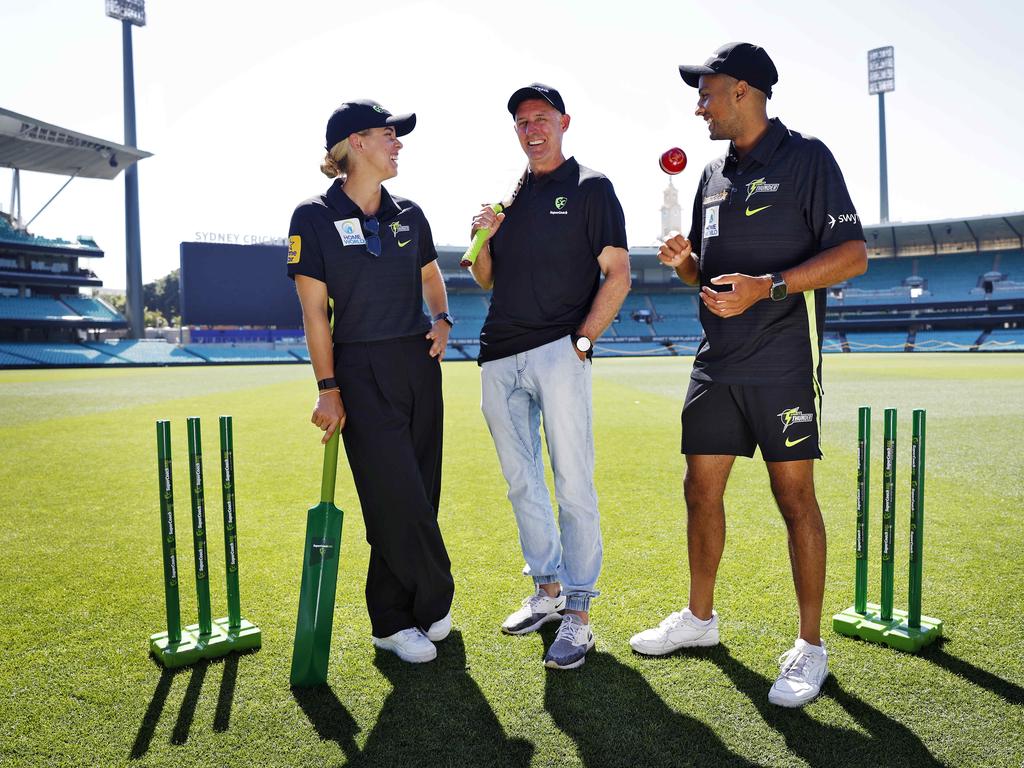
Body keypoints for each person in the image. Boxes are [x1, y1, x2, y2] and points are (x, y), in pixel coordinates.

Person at [628, 44, 868, 706]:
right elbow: (705, 275)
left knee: (795, 500)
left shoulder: (808, 157)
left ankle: (810, 646)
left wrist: (770, 287)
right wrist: (683, 264)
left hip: (783, 360)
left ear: (743, 92)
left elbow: (853, 254)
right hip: (716, 363)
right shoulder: (710, 173)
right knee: (699, 490)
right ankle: (699, 621)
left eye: (706, 93)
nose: (697, 105)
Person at [469, 83, 631, 670]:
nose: (531, 129)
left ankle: (580, 611)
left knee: (572, 481)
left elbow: (618, 274)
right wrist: (483, 232)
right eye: (521, 122)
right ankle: (548, 589)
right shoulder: (510, 200)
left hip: (559, 351)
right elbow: (487, 278)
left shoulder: (592, 188)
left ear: (564, 123)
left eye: (541, 118)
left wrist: (583, 341)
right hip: (498, 353)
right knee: (521, 482)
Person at [288, 100, 455, 664]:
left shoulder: (412, 212)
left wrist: (442, 318)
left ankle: (391, 620)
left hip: (416, 363)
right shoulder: (311, 216)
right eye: (390, 135)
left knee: (420, 492)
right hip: (357, 368)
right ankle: (434, 600)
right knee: (395, 497)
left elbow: (432, 276)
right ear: (355, 143)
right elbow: (314, 312)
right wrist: (327, 386)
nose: (399, 144)